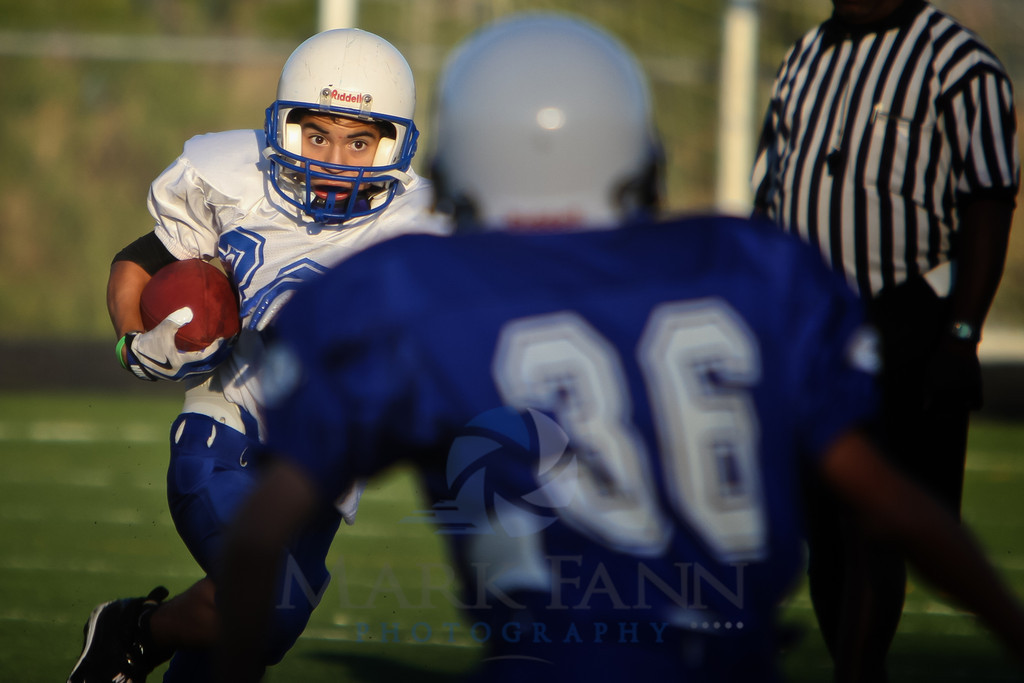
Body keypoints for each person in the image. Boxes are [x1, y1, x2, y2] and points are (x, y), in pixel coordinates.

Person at [216, 12, 1024, 683]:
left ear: (465, 159)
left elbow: (262, 534)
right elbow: (890, 500)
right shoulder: (750, 272)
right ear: (636, 154)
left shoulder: (412, 291)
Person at [67, 28, 449, 683]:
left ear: (394, 143)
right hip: (227, 434)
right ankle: (134, 629)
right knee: (261, 607)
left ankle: (135, 641)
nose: (336, 157)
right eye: (318, 134)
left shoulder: (423, 225)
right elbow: (138, 262)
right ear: (284, 127)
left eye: (360, 141)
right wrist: (134, 341)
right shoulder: (239, 183)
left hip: (322, 471)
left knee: (245, 646)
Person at [751, 0, 1019, 678]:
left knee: (875, 521)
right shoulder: (803, 56)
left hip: (903, 313)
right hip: (808, 327)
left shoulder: (959, 65)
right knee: (821, 523)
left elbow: (988, 201)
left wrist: (961, 333)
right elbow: (770, 188)